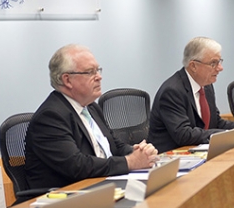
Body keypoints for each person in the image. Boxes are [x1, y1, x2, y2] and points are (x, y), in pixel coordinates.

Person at [25, 44, 158, 190]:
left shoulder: (91, 107)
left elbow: (114, 145)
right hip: (69, 197)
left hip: (104, 185)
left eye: (98, 70)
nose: (99, 77)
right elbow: (77, 165)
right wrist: (130, 162)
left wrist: (138, 152)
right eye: (90, 72)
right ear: (67, 80)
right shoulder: (50, 117)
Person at [147, 37, 234, 154]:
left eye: (219, 62)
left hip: (198, 152)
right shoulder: (172, 91)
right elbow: (183, 135)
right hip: (172, 158)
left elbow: (216, 123)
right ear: (193, 66)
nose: (220, 68)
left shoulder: (206, 85)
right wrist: (229, 134)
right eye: (213, 63)